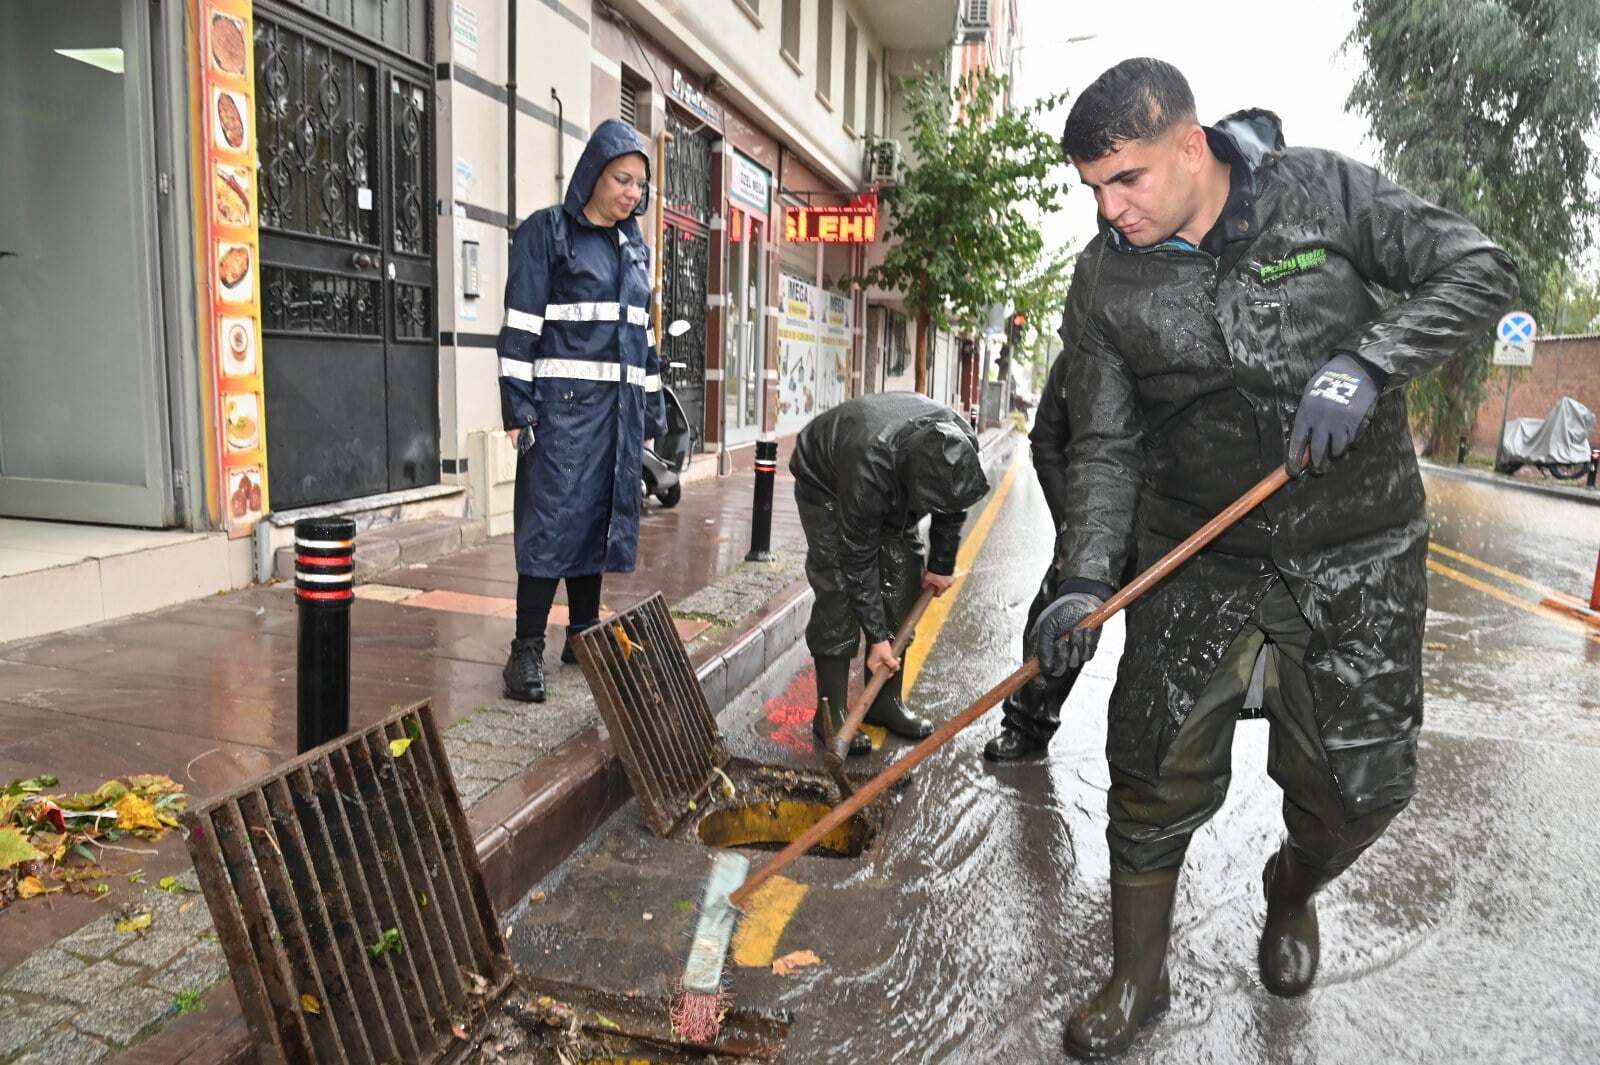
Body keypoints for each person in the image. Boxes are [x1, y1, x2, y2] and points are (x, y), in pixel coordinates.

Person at [1030, 59, 1517, 1058]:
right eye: (1093, 189)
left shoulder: (1322, 191)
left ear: (1190, 144)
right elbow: (1105, 445)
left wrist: (1369, 362)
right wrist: (1084, 579)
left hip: (1358, 545)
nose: (1110, 209)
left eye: (1126, 180)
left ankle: (1290, 890)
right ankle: (1136, 977)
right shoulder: (1103, 282)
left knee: (1362, 788)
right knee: (1150, 772)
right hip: (1196, 556)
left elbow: (1479, 267)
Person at [496, 119, 665, 703]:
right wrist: (517, 410)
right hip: (559, 414)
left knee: (596, 519)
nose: (632, 194)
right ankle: (524, 654)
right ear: (593, 173)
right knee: (549, 526)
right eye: (623, 180)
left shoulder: (633, 246)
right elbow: (519, 327)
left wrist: (651, 415)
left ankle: (584, 634)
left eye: (640, 186)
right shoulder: (548, 233)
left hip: (614, 416)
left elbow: (642, 337)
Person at [790, 393, 990, 754]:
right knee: (837, 591)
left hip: (889, 484)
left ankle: (883, 702)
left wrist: (941, 563)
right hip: (827, 481)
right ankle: (829, 715)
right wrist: (878, 637)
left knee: (903, 577)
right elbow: (857, 558)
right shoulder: (867, 465)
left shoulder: (959, 441)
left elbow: (954, 501)